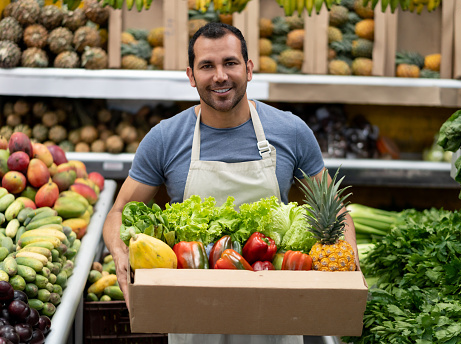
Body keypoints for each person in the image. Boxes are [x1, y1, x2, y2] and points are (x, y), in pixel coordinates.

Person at [102, 22, 359, 344]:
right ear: (191, 76)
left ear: (249, 69)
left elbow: (335, 209)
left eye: (230, 63)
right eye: (207, 66)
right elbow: (119, 212)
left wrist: (347, 257)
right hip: (194, 312)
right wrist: (119, 252)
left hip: (274, 310)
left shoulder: (290, 131)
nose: (220, 76)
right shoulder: (166, 138)